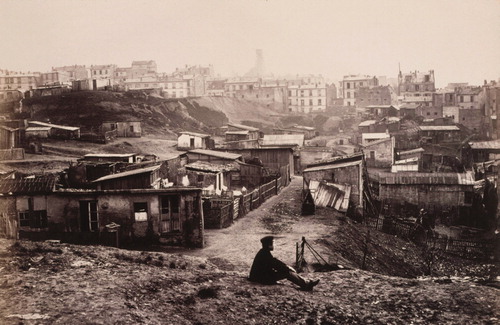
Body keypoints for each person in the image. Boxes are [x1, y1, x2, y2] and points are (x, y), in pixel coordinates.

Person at [249, 236, 319, 291]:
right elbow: (276, 264)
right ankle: (305, 284)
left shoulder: (263, 252)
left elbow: (275, 262)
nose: (273, 245)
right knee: (287, 273)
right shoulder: (265, 254)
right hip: (261, 279)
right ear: (268, 245)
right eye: (271, 243)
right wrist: (287, 268)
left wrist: (286, 266)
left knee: (286, 270)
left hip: (260, 277)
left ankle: (306, 283)